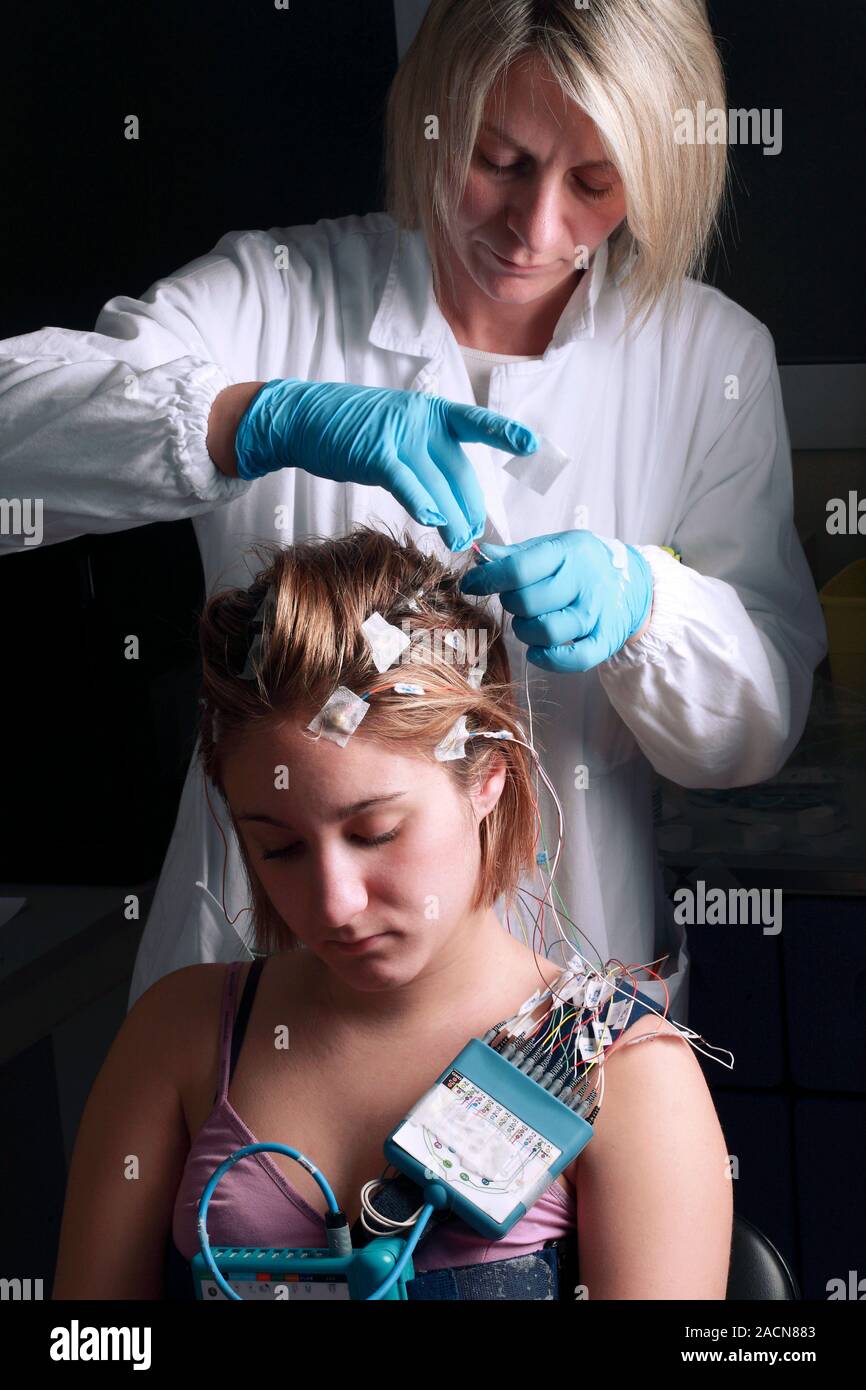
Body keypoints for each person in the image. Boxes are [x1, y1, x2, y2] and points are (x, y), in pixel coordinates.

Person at [0, 0, 826, 1025]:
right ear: (430, 119)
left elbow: (750, 733)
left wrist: (647, 606)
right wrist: (247, 417)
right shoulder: (274, 294)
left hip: (549, 998)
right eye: (499, 161)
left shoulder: (706, 359)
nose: (536, 230)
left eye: (594, 182)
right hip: (263, 982)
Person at [51, 527, 733, 1300]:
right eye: (279, 850)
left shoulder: (620, 1071)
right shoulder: (179, 1034)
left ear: (488, 782)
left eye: (375, 833)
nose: (335, 903)